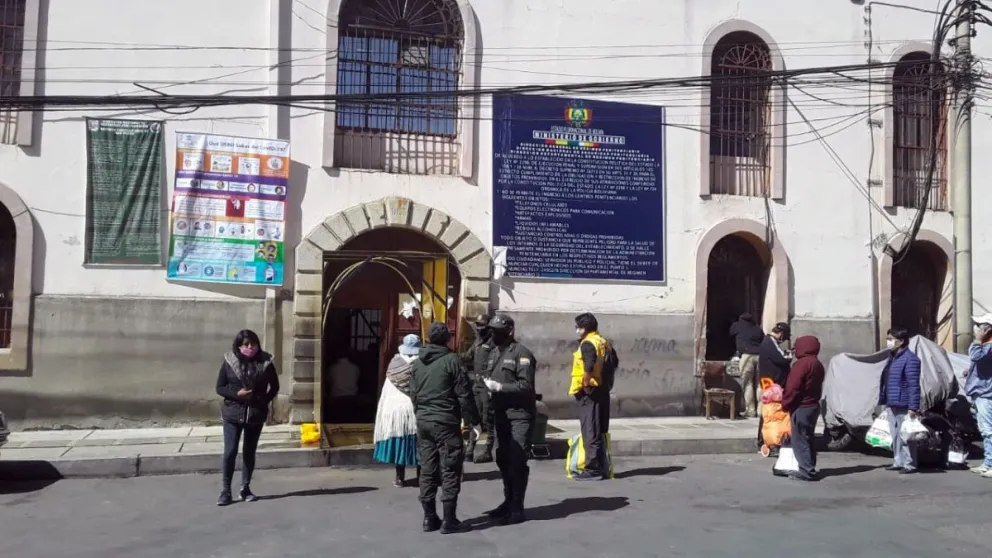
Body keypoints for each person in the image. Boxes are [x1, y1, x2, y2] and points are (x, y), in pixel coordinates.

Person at [410, 322, 481, 534]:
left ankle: (429, 518)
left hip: (424, 420)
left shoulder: (418, 363)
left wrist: (420, 413)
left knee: (427, 469)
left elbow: (413, 393)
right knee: (450, 468)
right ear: (448, 339)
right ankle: (449, 520)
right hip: (446, 421)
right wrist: (474, 420)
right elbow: (464, 394)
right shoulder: (452, 361)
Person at [482, 314, 538, 525]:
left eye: (497, 331)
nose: (493, 335)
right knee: (502, 459)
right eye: (492, 331)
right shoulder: (494, 353)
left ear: (510, 331)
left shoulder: (522, 354)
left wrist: (501, 388)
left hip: (519, 415)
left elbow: (526, 387)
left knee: (516, 459)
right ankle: (507, 502)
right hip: (501, 414)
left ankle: (517, 507)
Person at [214, 329, 280, 505]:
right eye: (246, 344)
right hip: (232, 414)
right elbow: (220, 387)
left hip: (255, 415)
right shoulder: (229, 361)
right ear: (239, 346)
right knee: (230, 452)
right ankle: (226, 491)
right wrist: (237, 394)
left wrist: (262, 401)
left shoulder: (266, 362)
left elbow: (274, 387)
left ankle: (245, 488)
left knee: (249, 453)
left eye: (253, 344)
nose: (250, 347)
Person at [373, 334, 422, 488]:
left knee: (399, 444)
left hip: (395, 410)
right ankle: (422, 477)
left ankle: (399, 478)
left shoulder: (394, 363)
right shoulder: (422, 364)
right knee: (420, 445)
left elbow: (387, 390)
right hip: (415, 409)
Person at [570, 312, 611, 481]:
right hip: (601, 389)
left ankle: (593, 469)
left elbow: (589, 364)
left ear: (584, 328)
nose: (576, 330)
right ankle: (602, 466)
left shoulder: (587, 344)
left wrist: (586, 383)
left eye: (577, 327)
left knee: (590, 429)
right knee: (598, 428)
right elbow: (612, 363)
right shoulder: (603, 341)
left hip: (589, 391)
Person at [879, 327, 922, 475]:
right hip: (892, 402)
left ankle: (910, 464)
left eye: (891, 339)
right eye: (888, 338)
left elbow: (913, 385)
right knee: (896, 435)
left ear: (901, 341)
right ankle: (898, 461)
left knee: (907, 436)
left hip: (904, 404)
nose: (888, 342)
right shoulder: (892, 358)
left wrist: (913, 406)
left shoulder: (910, 360)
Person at [782, 335, 825, 482]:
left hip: (802, 406)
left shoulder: (801, 365)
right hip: (813, 405)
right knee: (808, 437)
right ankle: (809, 466)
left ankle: (806, 470)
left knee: (800, 439)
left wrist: (785, 403)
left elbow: (793, 387)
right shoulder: (817, 364)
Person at [460, 313, 496, 463]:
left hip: (488, 387)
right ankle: (470, 449)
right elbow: (468, 357)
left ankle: (487, 450)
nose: (479, 328)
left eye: (482, 325)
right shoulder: (478, 341)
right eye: (478, 325)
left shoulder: (495, 343)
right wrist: (451, 357)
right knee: (474, 418)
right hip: (476, 386)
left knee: (489, 419)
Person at [756, 322, 793, 448]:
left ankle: (766, 439)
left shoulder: (767, 342)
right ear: (781, 334)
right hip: (773, 385)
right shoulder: (770, 342)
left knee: (769, 413)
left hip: (769, 384)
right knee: (772, 413)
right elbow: (782, 358)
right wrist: (790, 354)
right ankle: (768, 439)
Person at [966, 314, 992, 478]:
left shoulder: (987, 345)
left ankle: (991, 463)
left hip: (985, 393)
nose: (975, 328)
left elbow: (975, 356)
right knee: (986, 428)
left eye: (979, 325)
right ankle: (988, 462)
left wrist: (978, 339)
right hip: (983, 391)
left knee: (987, 429)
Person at [730, 313, 765, 418]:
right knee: (760, 383)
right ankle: (760, 411)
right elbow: (762, 339)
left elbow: (730, 333)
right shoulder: (757, 328)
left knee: (747, 383)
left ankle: (750, 410)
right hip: (760, 356)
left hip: (747, 356)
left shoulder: (737, 325)